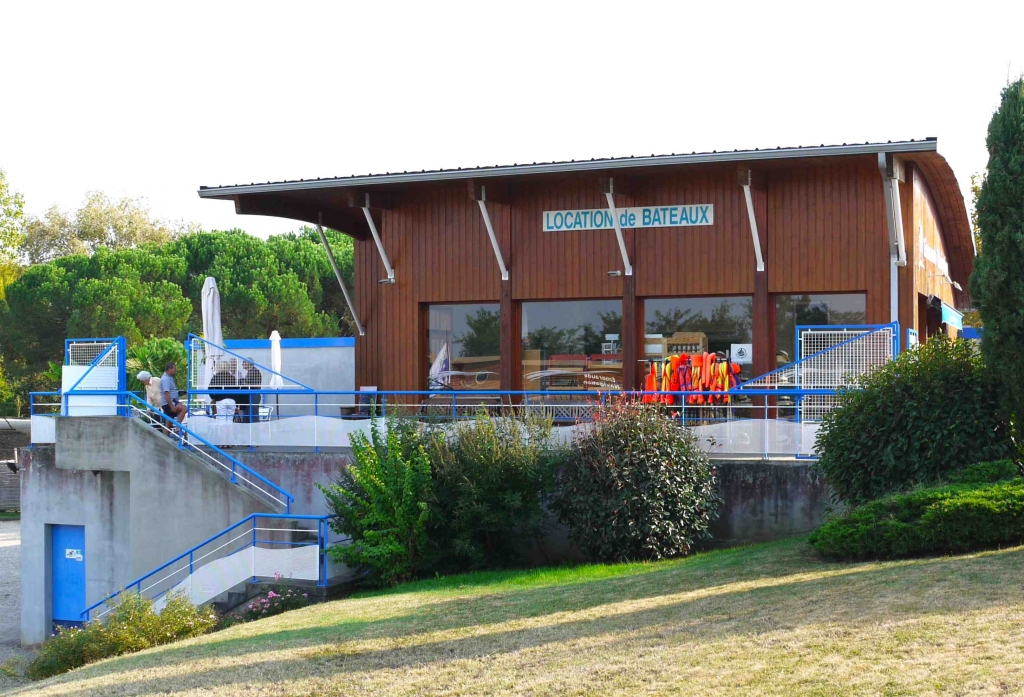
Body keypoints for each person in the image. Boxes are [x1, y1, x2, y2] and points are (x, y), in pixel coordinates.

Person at [160, 362, 187, 428]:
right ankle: (178, 427)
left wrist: (178, 393)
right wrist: (171, 406)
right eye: (174, 369)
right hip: (169, 402)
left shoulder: (169, 378)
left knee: (168, 424)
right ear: (169, 369)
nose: (176, 370)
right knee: (184, 409)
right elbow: (166, 394)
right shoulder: (165, 379)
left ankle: (165, 437)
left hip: (171, 401)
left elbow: (171, 391)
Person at [240, 358, 263, 423]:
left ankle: (254, 430)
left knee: (253, 414)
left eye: (244, 362)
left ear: (249, 363)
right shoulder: (250, 372)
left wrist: (245, 384)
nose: (242, 364)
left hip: (253, 395)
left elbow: (256, 385)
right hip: (250, 395)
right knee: (248, 414)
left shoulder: (255, 372)